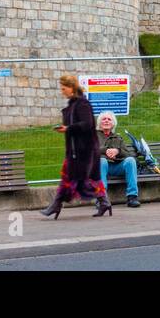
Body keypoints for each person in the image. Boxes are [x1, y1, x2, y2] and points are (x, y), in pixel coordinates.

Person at [41, 74, 110, 219]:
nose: (62, 91)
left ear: (72, 88)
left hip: (85, 151)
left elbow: (87, 124)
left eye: (64, 88)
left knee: (83, 180)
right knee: (70, 178)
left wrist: (68, 128)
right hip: (74, 150)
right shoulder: (72, 105)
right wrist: (66, 128)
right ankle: (103, 202)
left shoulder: (82, 104)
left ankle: (57, 205)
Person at [97, 111, 140, 208]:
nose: (106, 121)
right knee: (102, 161)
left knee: (130, 161)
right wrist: (106, 150)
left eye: (109, 119)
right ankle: (101, 199)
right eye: (104, 119)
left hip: (116, 166)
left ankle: (132, 197)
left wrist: (117, 151)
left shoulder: (118, 137)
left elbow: (127, 154)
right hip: (100, 167)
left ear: (113, 123)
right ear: (100, 123)